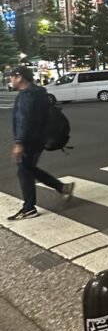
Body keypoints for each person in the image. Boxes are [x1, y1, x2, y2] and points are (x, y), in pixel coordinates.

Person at [8, 65, 73, 220]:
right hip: (40, 138)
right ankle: (62, 187)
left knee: (24, 171)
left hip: (30, 140)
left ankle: (29, 208)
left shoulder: (27, 96)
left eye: (12, 77)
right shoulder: (39, 93)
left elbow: (25, 120)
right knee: (28, 169)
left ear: (20, 78)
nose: (11, 80)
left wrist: (19, 142)